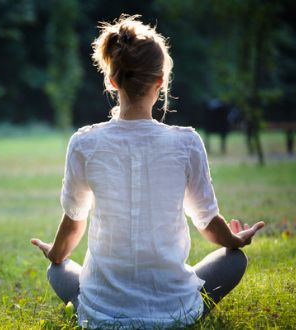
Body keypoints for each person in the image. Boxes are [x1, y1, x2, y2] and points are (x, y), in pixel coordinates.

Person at [30, 14, 265, 329]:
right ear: (160, 82)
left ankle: (101, 305)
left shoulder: (84, 142)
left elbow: (74, 223)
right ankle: (175, 304)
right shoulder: (187, 142)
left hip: (102, 313)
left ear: (112, 81)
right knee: (235, 260)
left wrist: (54, 253)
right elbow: (208, 224)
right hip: (175, 310)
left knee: (56, 270)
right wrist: (235, 239)